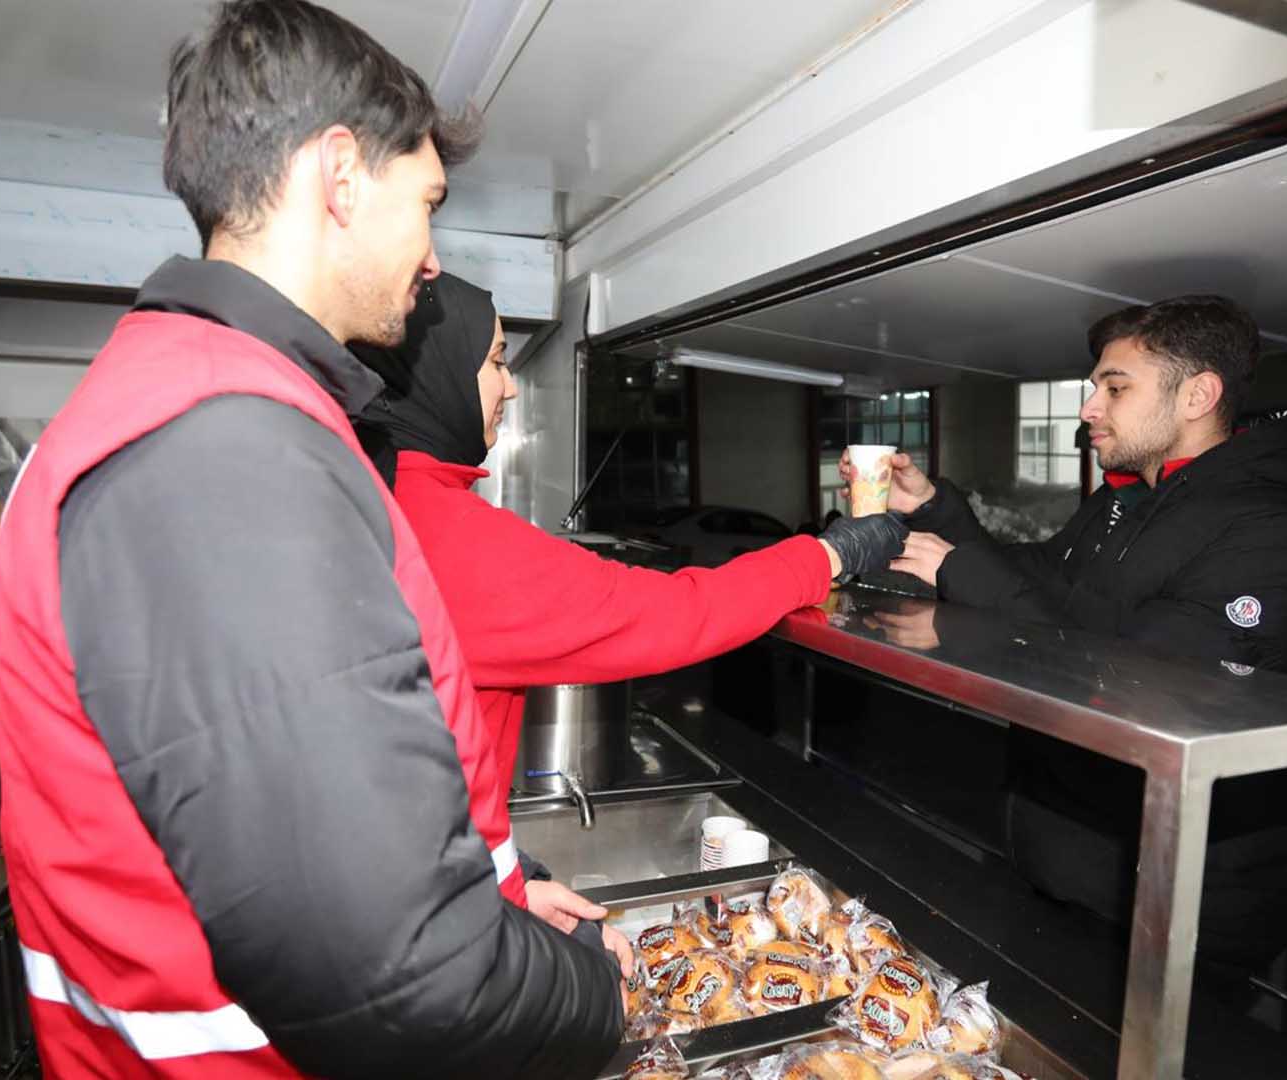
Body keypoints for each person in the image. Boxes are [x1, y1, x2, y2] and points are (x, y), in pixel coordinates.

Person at [0, 3, 621, 1077]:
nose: (430, 259)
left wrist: (504, 905)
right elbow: (403, 982)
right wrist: (590, 993)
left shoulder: (201, 404)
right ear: (339, 177)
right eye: (426, 205)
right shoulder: (220, 453)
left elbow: (325, 835)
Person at [351, 274, 908, 899]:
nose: (509, 385)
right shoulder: (446, 533)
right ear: (439, 372)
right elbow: (671, 613)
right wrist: (829, 554)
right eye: (496, 361)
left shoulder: (377, 494)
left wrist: (512, 884)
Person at [842, 294, 1287, 968]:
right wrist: (937, 510)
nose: (1090, 407)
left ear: (1199, 394)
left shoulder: (1281, 527)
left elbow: (1152, 676)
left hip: (1178, 902)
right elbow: (1040, 578)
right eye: (1094, 388)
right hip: (1060, 856)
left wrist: (967, 572)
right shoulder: (1129, 498)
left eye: (1115, 388)